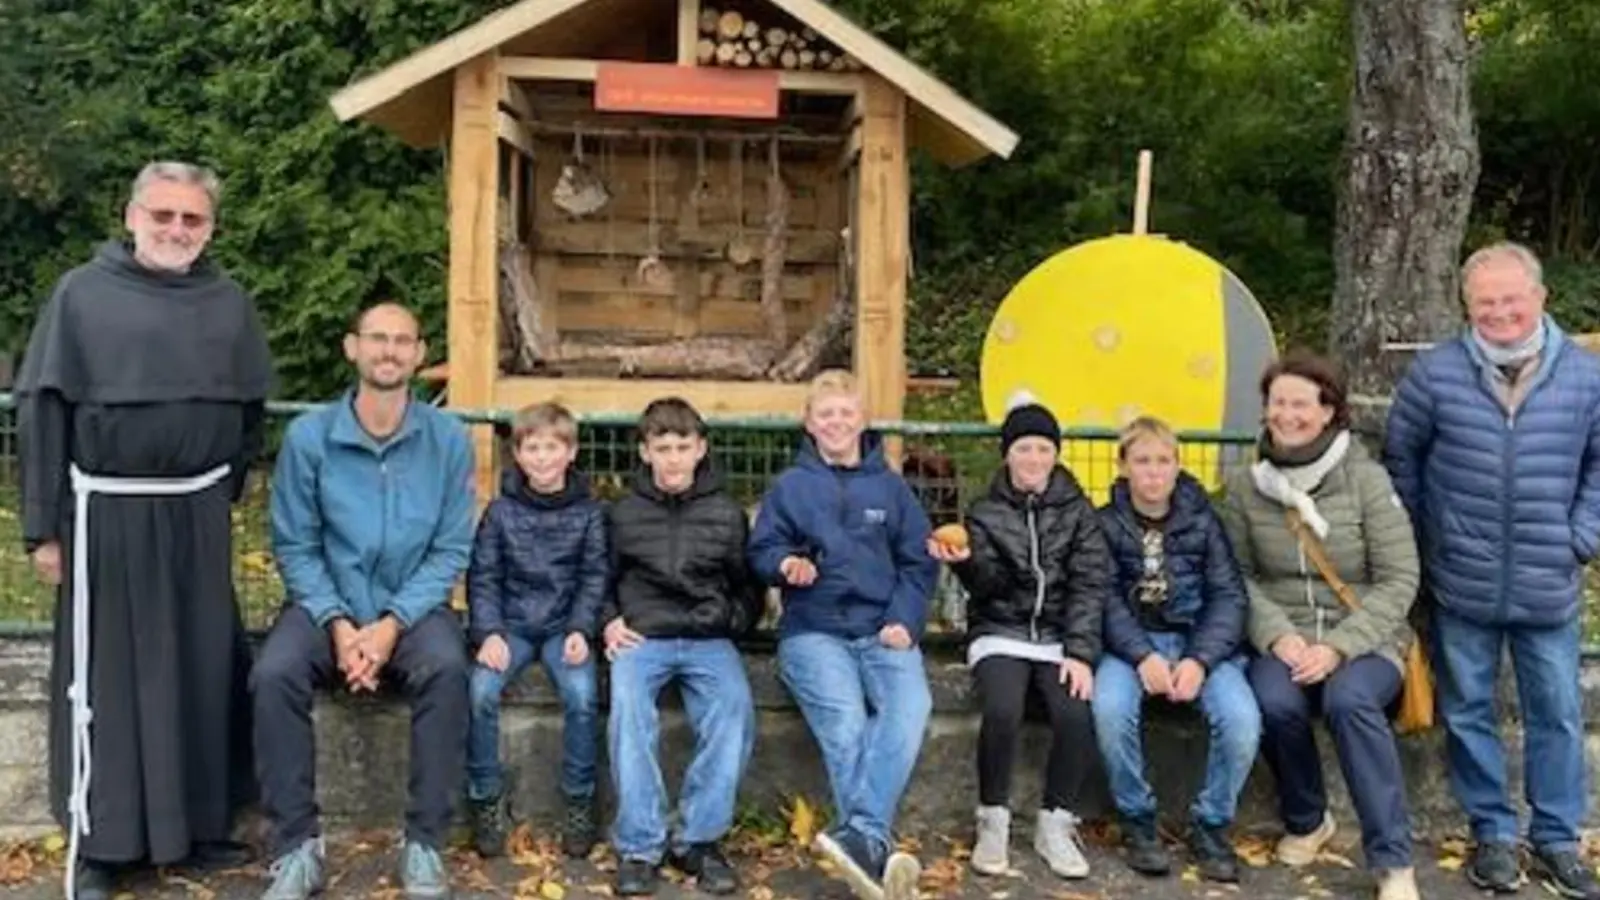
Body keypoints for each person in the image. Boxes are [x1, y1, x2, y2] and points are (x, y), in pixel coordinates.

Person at [15, 161, 273, 900]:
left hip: (195, 512)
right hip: (106, 517)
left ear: (210, 228)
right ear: (131, 217)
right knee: (109, 679)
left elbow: (248, 414)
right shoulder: (80, 297)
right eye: (162, 215)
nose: (175, 230)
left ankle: (193, 832)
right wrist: (44, 529)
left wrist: (224, 490)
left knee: (197, 670)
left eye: (191, 219)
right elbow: (42, 413)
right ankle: (103, 843)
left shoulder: (228, 303)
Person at [1385, 241, 1600, 900]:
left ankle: (1559, 838)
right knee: (1471, 711)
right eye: (1485, 302)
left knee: (1557, 713)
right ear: (1467, 306)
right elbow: (1403, 458)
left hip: (1548, 580)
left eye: (1511, 299)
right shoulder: (1437, 374)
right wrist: (1433, 541)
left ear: (1539, 298)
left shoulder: (1587, 377)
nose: (1499, 312)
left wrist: (1581, 537)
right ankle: (1494, 834)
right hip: (1463, 581)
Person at [251, 302, 474, 900]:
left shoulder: (448, 439)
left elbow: (452, 547)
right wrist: (341, 623)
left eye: (403, 341)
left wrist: (392, 624)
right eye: (378, 338)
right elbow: (295, 543)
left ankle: (425, 844)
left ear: (420, 355)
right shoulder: (309, 437)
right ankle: (297, 847)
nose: (389, 351)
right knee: (272, 675)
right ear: (352, 348)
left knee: (450, 671)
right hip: (325, 605)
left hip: (414, 608)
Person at [1219, 351, 1421, 900]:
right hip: (1284, 634)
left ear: (1330, 410)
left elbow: (1400, 579)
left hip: (1364, 636)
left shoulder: (1366, 480)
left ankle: (1393, 860)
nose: (1287, 415)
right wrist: (1277, 635)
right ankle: (1308, 819)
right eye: (1278, 403)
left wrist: (1336, 648)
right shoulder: (1245, 485)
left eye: (1301, 404)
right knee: (1274, 700)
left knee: (1349, 702)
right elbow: (1237, 575)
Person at [748, 369, 936, 900]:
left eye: (845, 413)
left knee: (911, 707)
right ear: (810, 422)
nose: (836, 422)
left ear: (863, 419)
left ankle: (862, 841)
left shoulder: (892, 488)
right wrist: (786, 564)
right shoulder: (790, 487)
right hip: (814, 631)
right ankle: (872, 844)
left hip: (884, 629)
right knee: (847, 724)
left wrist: (905, 619)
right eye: (825, 414)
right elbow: (760, 552)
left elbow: (919, 564)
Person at [930, 398, 1110, 880]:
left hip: (1056, 637)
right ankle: (993, 817)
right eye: (1023, 448)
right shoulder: (985, 509)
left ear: (1056, 454)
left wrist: (1080, 652)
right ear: (1007, 453)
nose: (1033, 459)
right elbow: (988, 588)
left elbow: (1090, 585)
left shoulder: (1078, 511)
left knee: (1075, 712)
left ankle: (1055, 822)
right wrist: (965, 561)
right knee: (1004, 709)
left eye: (1043, 449)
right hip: (1001, 631)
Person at [602, 397, 764, 897]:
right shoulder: (622, 513)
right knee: (628, 712)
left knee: (733, 711)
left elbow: (748, 584)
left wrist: (731, 621)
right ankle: (640, 845)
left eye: (682, 447)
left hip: (706, 636)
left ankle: (698, 838)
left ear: (701, 449)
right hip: (642, 635)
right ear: (645, 452)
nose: (673, 459)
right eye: (662, 448)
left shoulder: (726, 512)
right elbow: (598, 579)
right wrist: (607, 620)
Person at [1093, 416, 1258, 883]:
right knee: (1109, 709)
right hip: (1131, 646)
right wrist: (1141, 654)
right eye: (1142, 461)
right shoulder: (1105, 525)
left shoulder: (1204, 523)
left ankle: (1210, 824)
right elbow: (1101, 597)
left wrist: (1199, 660)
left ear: (1177, 465)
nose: (1153, 472)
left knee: (1242, 720)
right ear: (1123, 466)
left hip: (1197, 642)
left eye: (1163, 461)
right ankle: (1138, 818)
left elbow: (1229, 597)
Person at [465, 402, 606, 859]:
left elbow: (593, 576)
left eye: (552, 447)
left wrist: (583, 629)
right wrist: (488, 631)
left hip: (566, 626)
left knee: (583, 695)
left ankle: (580, 800)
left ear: (571, 452)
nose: (543, 458)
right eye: (532, 448)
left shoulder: (590, 514)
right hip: (513, 625)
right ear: (518, 455)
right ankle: (485, 798)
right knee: (481, 691)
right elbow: (484, 575)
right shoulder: (500, 513)